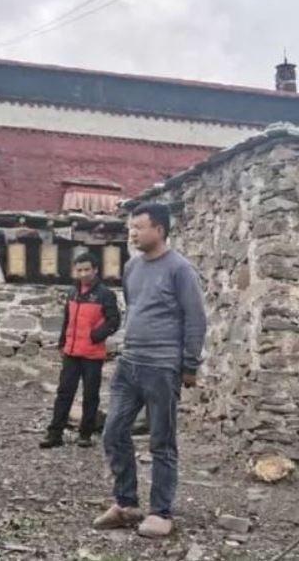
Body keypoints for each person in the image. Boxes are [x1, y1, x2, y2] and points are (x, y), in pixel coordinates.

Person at [94, 203, 207, 538]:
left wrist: (189, 365)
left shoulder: (180, 269)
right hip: (130, 363)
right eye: (131, 227)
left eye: (139, 227)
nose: (133, 233)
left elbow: (195, 319)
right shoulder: (132, 267)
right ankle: (126, 504)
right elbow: (134, 307)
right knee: (113, 432)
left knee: (162, 441)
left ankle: (161, 512)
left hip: (162, 366)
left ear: (159, 229)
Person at [40, 253, 121, 449]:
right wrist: (62, 343)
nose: (83, 274)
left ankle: (85, 433)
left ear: (95, 270)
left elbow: (114, 321)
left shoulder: (105, 294)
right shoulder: (72, 292)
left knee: (90, 394)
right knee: (64, 392)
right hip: (71, 352)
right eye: (79, 270)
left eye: (87, 270)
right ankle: (55, 433)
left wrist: (96, 336)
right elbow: (67, 320)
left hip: (92, 354)